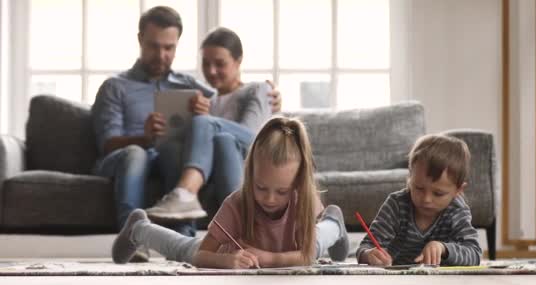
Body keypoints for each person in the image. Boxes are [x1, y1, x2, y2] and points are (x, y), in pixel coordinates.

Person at [91, 6, 281, 254]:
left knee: (173, 150)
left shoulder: (189, 85)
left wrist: (271, 101)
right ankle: (134, 239)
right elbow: (107, 144)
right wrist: (145, 137)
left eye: (169, 48)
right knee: (136, 153)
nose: (161, 55)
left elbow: (229, 101)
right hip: (129, 156)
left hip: (170, 156)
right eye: (153, 46)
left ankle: (184, 243)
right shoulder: (115, 86)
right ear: (140, 40)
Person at [111, 117, 350, 268]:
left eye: (281, 191)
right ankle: (139, 228)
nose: (269, 198)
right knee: (186, 249)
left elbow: (306, 256)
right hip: (228, 252)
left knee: (317, 242)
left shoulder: (304, 198)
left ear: (297, 184)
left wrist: (268, 258)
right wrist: (225, 260)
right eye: (260, 187)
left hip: (289, 247)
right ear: (250, 174)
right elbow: (204, 253)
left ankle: (334, 222)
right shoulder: (237, 202)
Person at [357, 134, 481, 266]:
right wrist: (369, 255)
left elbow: (474, 254)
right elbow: (365, 247)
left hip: (438, 283)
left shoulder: (456, 210)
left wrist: (443, 248)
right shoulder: (397, 204)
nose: (426, 199)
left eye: (438, 193)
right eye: (419, 188)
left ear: (458, 190)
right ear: (409, 179)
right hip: (395, 279)